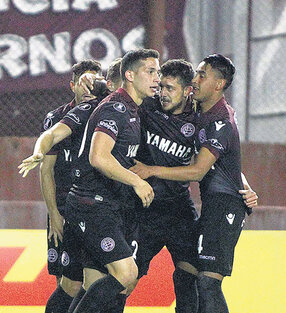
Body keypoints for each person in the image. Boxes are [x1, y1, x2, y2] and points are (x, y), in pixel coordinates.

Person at [131, 54, 258, 313]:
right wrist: (243, 181)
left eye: (202, 75)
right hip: (156, 209)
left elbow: (200, 170)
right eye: (197, 74)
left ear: (218, 84)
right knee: (128, 278)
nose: (197, 80)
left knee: (206, 282)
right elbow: (226, 159)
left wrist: (150, 170)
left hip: (216, 207)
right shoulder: (196, 110)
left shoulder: (219, 119)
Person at [62, 49, 159, 313]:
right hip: (91, 204)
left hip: (106, 205)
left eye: (158, 72)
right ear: (129, 75)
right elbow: (98, 158)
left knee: (96, 282)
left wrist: (97, 83)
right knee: (127, 274)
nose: (156, 78)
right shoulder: (116, 108)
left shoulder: (130, 105)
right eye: (150, 72)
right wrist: (136, 181)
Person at [38, 59, 103, 312]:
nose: (89, 88)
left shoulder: (106, 114)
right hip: (64, 205)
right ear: (72, 85)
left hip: (95, 207)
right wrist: (54, 214)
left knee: (92, 279)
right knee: (65, 279)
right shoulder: (56, 118)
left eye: (94, 83)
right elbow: (46, 170)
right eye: (83, 82)